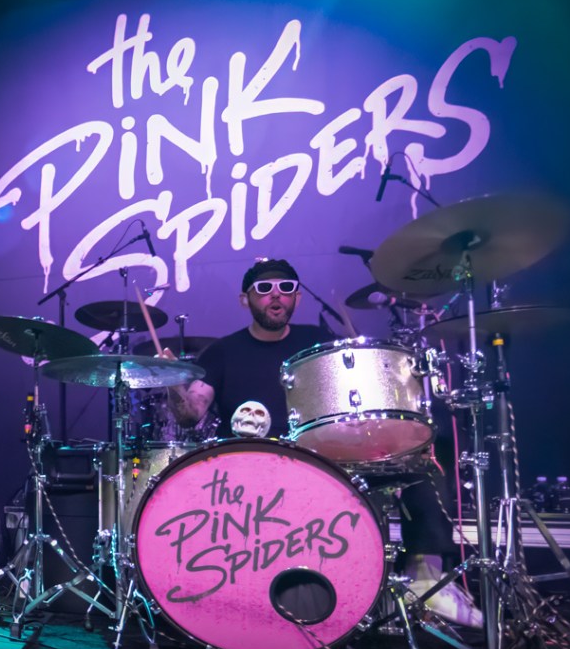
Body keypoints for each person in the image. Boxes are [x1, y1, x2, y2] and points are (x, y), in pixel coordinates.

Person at [163, 258, 482, 628]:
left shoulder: (317, 341)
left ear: (297, 297)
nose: (276, 296)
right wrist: (172, 382)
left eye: (286, 288)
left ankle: (425, 580)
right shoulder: (223, 352)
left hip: (324, 459)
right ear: (244, 299)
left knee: (421, 460)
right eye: (264, 289)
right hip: (252, 471)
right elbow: (190, 414)